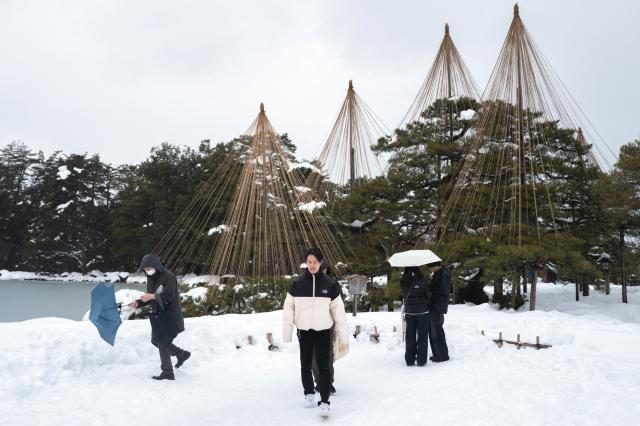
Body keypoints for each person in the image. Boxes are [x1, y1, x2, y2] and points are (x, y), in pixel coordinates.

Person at [283, 248, 348, 417]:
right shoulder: (297, 284)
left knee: (324, 365)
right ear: (306, 263)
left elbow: (339, 313)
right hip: (304, 331)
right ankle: (309, 394)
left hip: (324, 332)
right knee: (305, 365)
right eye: (309, 262)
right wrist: (287, 332)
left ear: (320, 263)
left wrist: (343, 335)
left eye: (315, 262)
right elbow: (288, 309)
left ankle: (325, 401)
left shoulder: (329, 283)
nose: (312, 265)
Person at [128, 254, 191, 380]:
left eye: (149, 268)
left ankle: (167, 373)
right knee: (155, 341)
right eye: (145, 269)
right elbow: (150, 297)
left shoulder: (169, 277)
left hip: (171, 316)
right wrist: (138, 303)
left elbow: (168, 297)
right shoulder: (150, 278)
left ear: (156, 266)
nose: (147, 271)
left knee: (163, 343)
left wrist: (151, 296)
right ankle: (181, 354)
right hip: (159, 316)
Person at [311, 259, 343, 395]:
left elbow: (339, 303)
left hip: (327, 323)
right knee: (313, 354)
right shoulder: (307, 282)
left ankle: (328, 382)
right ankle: (320, 382)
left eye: (324, 268)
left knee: (326, 354)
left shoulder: (332, 284)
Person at [400, 266, 431, 366]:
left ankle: (409, 360)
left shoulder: (403, 282)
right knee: (422, 336)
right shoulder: (422, 281)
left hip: (409, 312)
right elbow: (429, 295)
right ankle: (421, 360)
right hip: (423, 312)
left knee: (410, 336)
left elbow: (403, 295)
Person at [427, 261, 450, 362]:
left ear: (436, 266)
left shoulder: (444, 273)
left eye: (431, 268)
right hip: (435, 304)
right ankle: (437, 353)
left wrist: (431, 288)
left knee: (437, 330)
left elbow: (444, 290)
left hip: (438, 305)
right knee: (434, 330)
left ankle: (443, 355)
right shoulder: (438, 273)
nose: (430, 270)